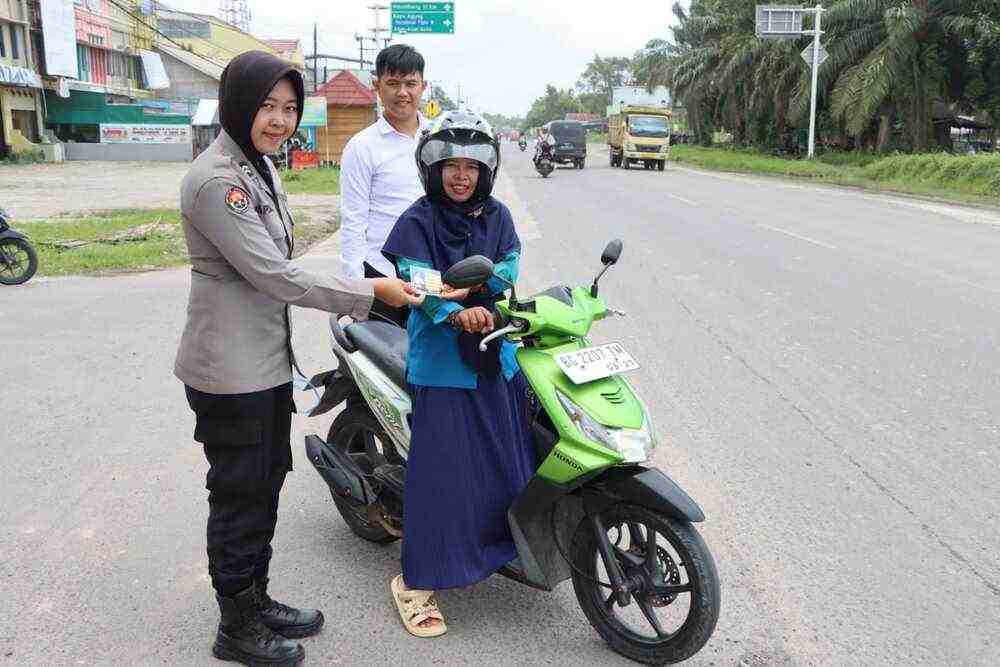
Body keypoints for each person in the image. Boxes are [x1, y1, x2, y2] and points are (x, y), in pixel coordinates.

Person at [175, 50, 420, 666]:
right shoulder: (217, 181)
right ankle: (235, 625)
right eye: (268, 107)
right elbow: (274, 275)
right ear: (238, 105)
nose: (280, 120)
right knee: (239, 492)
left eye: (290, 108)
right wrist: (372, 291)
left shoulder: (256, 167)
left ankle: (253, 600)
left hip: (261, 363)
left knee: (265, 483)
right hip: (229, 371)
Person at [381, 111, 538, 638]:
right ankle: (416, 580)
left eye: (472, 165)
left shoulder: (498, 217)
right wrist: (457, 311)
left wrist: (486, 290)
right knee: (440, 478)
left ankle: (491, 551)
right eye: (451, 164)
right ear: (433, 166)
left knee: (506, 463)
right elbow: (417, 285)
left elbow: (511, 265)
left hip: (496, 351)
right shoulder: (417, 221)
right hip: (444, 362)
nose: (461, 175)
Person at [340, 44, 429, 327]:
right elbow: (353, 221)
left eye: (410, 83)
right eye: (392, 83)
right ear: (377, 86)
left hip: (434, 277)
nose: (402, 92)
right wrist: (357, 289)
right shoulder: (362, 146)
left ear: (423, 86)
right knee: (386, 363)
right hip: (381, 275)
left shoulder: (439, 138)